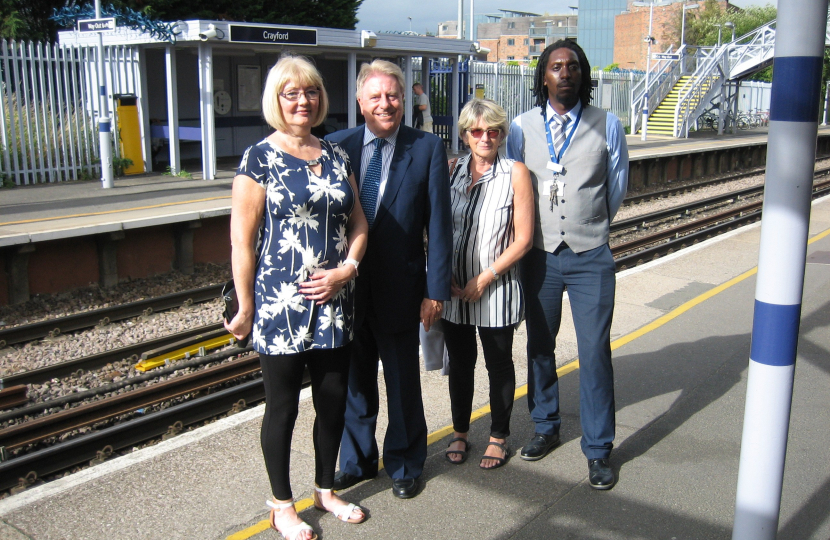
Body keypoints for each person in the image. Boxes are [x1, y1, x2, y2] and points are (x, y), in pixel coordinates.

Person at [225, 55, 368, 540]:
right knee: (282, 406)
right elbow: (241, 241)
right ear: (276, 99)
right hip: (279, 302)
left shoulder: (336, 154)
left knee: (332, 401)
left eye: (310, 92)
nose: (302, 101)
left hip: (335, 300)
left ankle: (325, 490)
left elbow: (359, 222)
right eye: (292, 93)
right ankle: (281, 505)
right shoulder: (258, 158)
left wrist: (347, 269)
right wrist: (246, 306)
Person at [505, 39, 629, 490]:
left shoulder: (607, 124)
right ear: (544, 77)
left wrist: (588, 223)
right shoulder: (520, 127)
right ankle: (545, 425)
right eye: (556, 66)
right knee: (540, 344)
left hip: (590, 254)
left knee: (595, 352)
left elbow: (616, 186)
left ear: (584, 75)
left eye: (573, 66)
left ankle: (598, 449)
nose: (565, 73)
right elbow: (513, 185)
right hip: (539, 255)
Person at [325, 60, 452, 499]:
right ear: (360, 101)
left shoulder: (427, 148)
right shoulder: (336, 146)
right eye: (376, 96)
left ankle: (405, 463)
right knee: (355, 382)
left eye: (393, 95)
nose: (386, 103)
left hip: (401, 287)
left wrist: (435, 291)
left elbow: (439, 226)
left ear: (404, 101)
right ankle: (357, 461)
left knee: (401, 383)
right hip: (348, 290)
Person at [442, 99, 534, 470]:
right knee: (460, 365)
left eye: (493, 130)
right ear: (465, 135)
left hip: (495, 288)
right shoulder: (451, 170)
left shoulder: (515, 173)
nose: (485, 137)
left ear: (502, 134)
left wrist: (485, 276)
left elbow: (523, 239)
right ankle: (460, 432)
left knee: (498, 364)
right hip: (454, 291)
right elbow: (437, 226)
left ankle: (498, 437)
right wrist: (441, 271)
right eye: (477, 131)